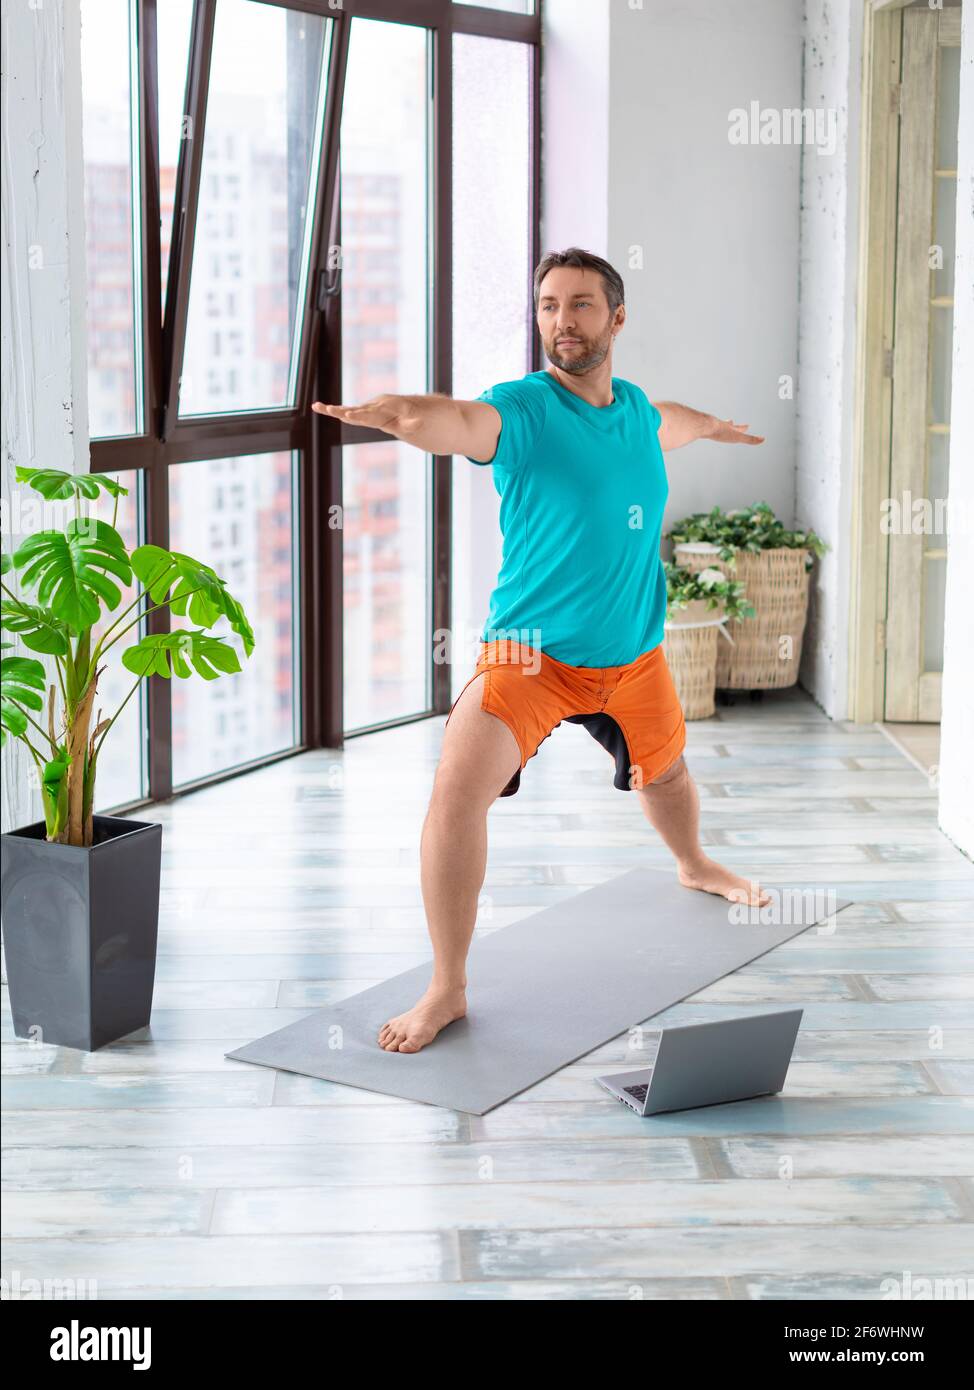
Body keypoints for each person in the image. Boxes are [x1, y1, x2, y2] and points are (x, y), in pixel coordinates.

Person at [312, 246, 771, 1054]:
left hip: (632, 653)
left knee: (666, 776)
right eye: (550, 305)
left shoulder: (638, 413)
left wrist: (718, 427)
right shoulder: (522, 410)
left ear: (617, 318)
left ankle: (695, 863)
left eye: (582, 304)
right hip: (527, 656)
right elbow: (458, 422)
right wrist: (400, 413)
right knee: (456, 794)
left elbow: (679, 420)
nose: (563, 320)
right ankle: (447, 987)